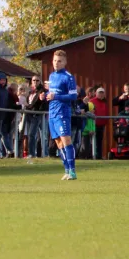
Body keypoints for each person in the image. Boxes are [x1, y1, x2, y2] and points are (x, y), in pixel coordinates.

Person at [47, 50, 78, 180]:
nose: (56, 63)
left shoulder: (68, 77)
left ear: (65, 62)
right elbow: (52, 95)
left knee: (66, 141)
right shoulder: (52, 76)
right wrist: (45, 96)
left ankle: (72, 171)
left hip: (62, 113)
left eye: (59, 61)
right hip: (52, 113)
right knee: (59, 143)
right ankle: (66, 170)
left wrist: (57, 96)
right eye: (54, 60)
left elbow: (73, 95)